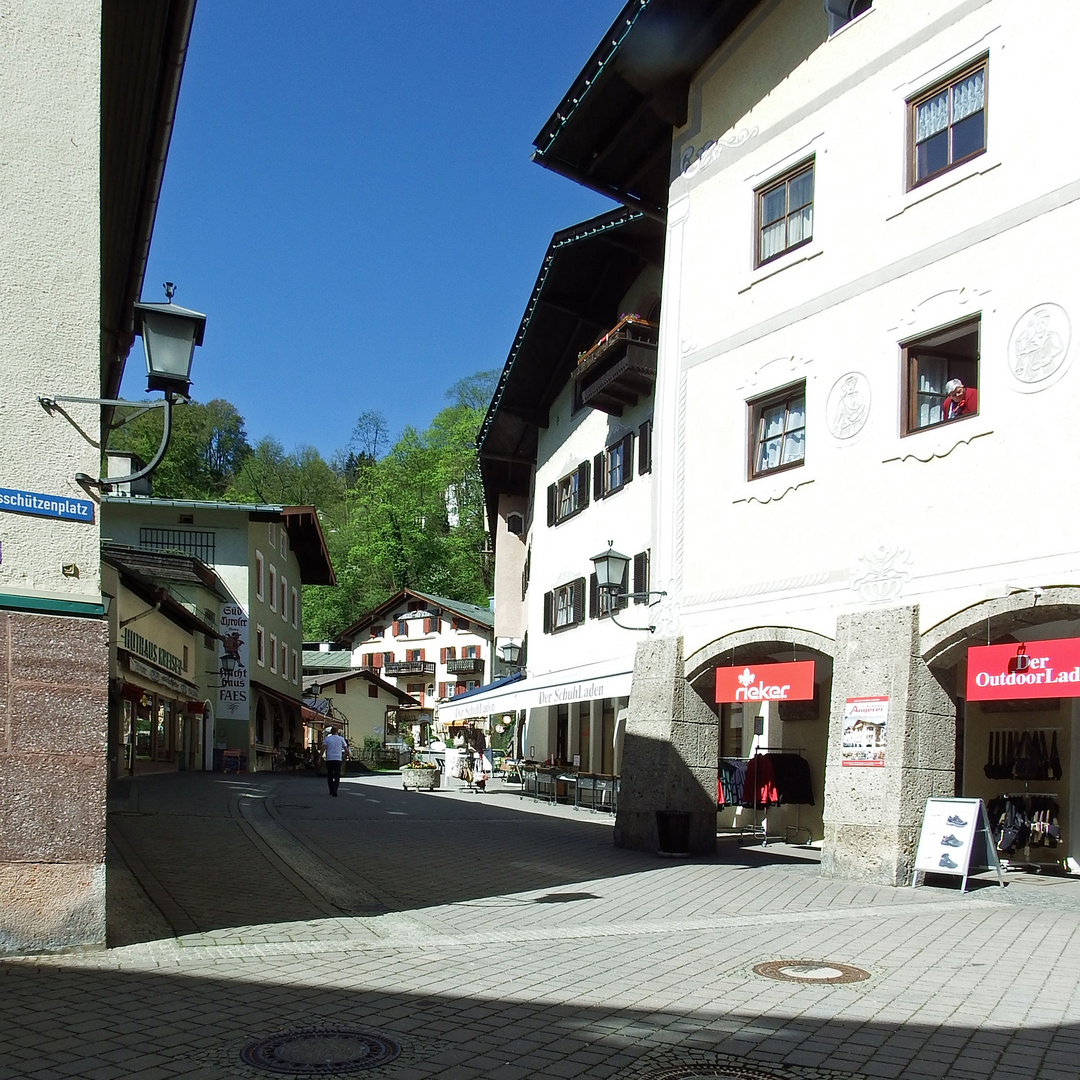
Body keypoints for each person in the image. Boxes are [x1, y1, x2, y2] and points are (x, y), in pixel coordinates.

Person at [323, 726, 349, 797]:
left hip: (330, 758)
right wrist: (349, 756)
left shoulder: (327, 739)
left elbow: (323, 748)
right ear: (337, 731)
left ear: (331, 732)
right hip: (338, 759)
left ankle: (331, 790)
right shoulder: (341, 739)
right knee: (337, 775)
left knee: (330, 775)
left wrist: (319, 758)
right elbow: (346, 749)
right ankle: (335, 789)